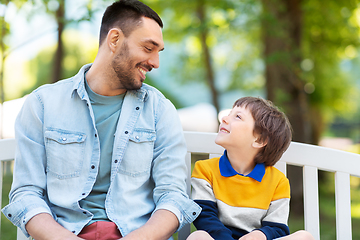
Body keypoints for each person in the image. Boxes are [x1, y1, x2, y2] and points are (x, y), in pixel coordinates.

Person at [1, 0, 201, 239]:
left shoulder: (160, 111)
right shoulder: (42, 105)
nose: (155, 63)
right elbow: (26, 194)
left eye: (159, 52)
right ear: (114, 40)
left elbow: (173, 196)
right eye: (149, 48)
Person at [187, 97, 314, 240]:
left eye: (238, 117)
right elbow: (204, 216)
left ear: (259, 140)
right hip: (219, 237)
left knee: (305, 236)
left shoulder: (278, 182)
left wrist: (260, 235)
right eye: (229, 113)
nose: (225, 118)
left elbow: (278, 228)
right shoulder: (205, 169)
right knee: (198, 236)